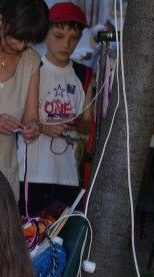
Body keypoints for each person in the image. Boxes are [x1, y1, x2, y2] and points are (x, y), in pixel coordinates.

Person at [0, 0, 49, 198]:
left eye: (28, 41)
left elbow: (31, 118)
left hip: (4, 173)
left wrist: (33, 128)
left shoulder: (31, 60)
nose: (20, 45)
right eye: (17, 37)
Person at [23, 2, 93, 211]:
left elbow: (88, 124)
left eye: (74, 38)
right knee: (30, 226)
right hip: (31, 171)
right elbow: (17, 116)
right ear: (45, 33)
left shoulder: (84, 75)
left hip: (67, 173)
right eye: (58, 36)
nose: (66, 45)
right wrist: (43, 127)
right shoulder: (32, 67)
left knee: (63, 227)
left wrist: (74, 127)